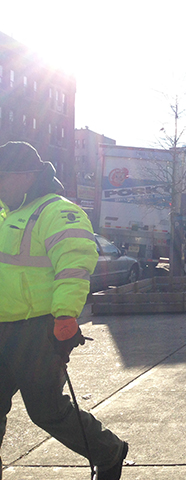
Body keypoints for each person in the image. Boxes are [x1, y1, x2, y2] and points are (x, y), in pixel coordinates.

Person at [0, 142, 128, 479]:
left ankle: (109, 451)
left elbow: (73, 267)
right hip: (2, 327)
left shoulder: (57, 211)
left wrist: (65, 317)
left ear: (24, 176)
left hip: (38, 330)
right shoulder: (6, 214)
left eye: (2, 177)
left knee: (47, 411)